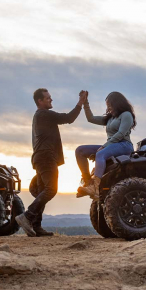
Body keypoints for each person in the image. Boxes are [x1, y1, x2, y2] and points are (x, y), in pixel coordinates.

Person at [15, 88, 86, 237]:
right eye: (48, 98)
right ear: (40, 101)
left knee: (42, 190)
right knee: (51, 189)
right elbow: (69, 118)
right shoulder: (44, 114)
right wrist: (81, 102)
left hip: (40, 158)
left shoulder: (39, 116)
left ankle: (36, 226)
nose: (51, 100)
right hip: (46, 158)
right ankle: (27, 216)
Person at [75, 91, 136, 198]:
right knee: (80, 150)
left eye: (110, 105)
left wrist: (104, 146)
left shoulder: (126, 115)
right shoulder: (110, 118)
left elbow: (121, 134)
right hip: (111, 145)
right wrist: (85, 102)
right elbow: (91, 118)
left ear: (117, 103)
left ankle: (95, 188)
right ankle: (88, 182)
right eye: (107, 106)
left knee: (100, 154)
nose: (108, 108)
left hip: (124, 145)